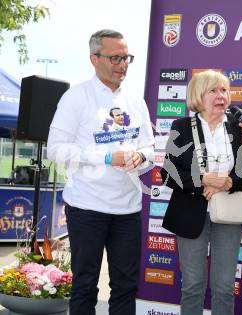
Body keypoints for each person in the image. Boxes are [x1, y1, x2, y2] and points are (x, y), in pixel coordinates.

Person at [47, 29, 155, 315]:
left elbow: (149, 147)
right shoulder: (75, 97)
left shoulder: (135, 99)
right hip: (87, 207)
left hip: (127, 209)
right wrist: (106, 156)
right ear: (94, 59)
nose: (123, 64)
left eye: (127, 57)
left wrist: (140, 157)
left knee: (126, 286)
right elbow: (55, 149)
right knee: (85, 285)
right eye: (115, 58)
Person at [160, 70, 242, 315]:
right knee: (193, 285)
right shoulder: (181, 126)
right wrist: (203, 181)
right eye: (213, 91)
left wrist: (228, 182)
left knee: (224, 286)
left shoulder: (239, 129)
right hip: (190, 213)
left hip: (229, 214)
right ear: (198, 95)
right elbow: (169, 172)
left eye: (224, 90)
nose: (220, 96)